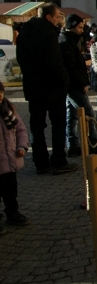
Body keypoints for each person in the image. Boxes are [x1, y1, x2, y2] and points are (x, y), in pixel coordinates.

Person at [16, 3, 78, 175]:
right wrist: (64, 80)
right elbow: (54, 63)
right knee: (58, 124)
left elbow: (21, 59)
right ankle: (58, 160)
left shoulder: (24, 34)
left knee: (37, 125)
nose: (60, 20)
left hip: (33, 86)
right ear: (48, 17)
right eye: (58, 16)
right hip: (52, 87)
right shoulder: (49, 34)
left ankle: (40, 162)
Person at [59, 14, 97, 159]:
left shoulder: (69, 40)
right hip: (73, 85)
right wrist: (82, 84)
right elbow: (72, 67)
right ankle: (93, 145)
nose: (81, 30)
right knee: (89, 113)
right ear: (72, 26)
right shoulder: (66, 41)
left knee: (72, 115)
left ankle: (73, 145)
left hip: (72, 84)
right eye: (79, 27)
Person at [0, 81, 30, 230]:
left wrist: (21, 147)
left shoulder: (9, 109)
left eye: (1, 92)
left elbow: (21, 130)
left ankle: (12, 213)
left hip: (10, 160)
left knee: (11, 190)